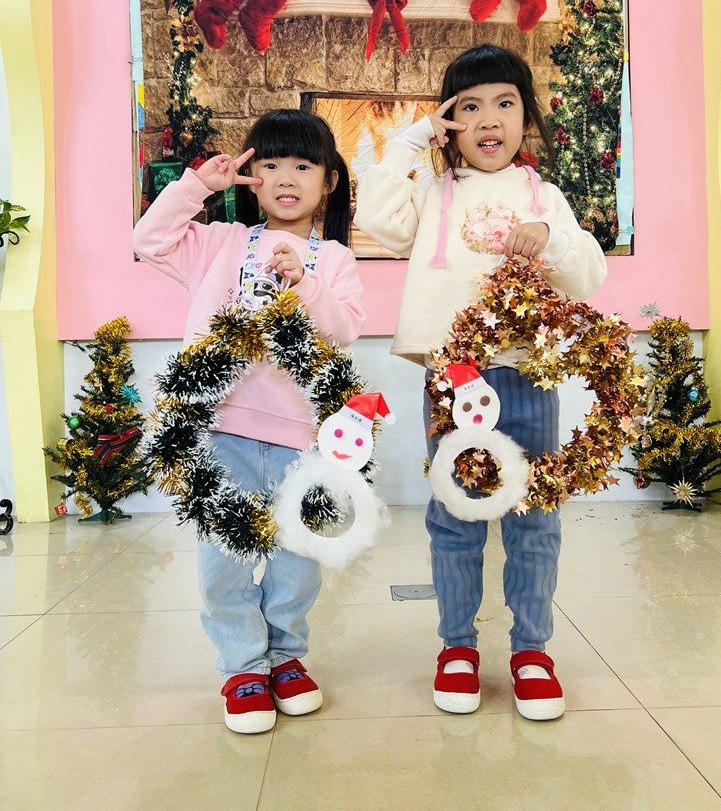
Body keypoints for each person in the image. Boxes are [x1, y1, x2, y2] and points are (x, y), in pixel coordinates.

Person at [355, 44, 607, 720]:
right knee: (454, 515)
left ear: (527, 118)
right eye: (468, 107)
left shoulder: (545, 198)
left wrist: (550, 237)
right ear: (449, 123)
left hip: (527, 373)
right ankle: (457, 647)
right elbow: (377, 221)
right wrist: (411, 140)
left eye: (504, 103)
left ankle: (531, 650)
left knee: (535, 516)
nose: (488, 119)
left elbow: (587, 274)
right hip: (451, 377)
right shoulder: (431, 194)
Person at [133, 109, 365, 733]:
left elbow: (343, 330)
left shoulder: (335, 258)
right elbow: (148, 240)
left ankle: (285, 658)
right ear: (251, 176)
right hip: (220, 431)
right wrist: (197, 187)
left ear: (329, 181)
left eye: (303, 165)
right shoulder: (221, 243)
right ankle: (242, 666)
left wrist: (306, 283)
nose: (286, 177)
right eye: (270, 164)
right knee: (225, 557)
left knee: (297, 558)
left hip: (303, 438)